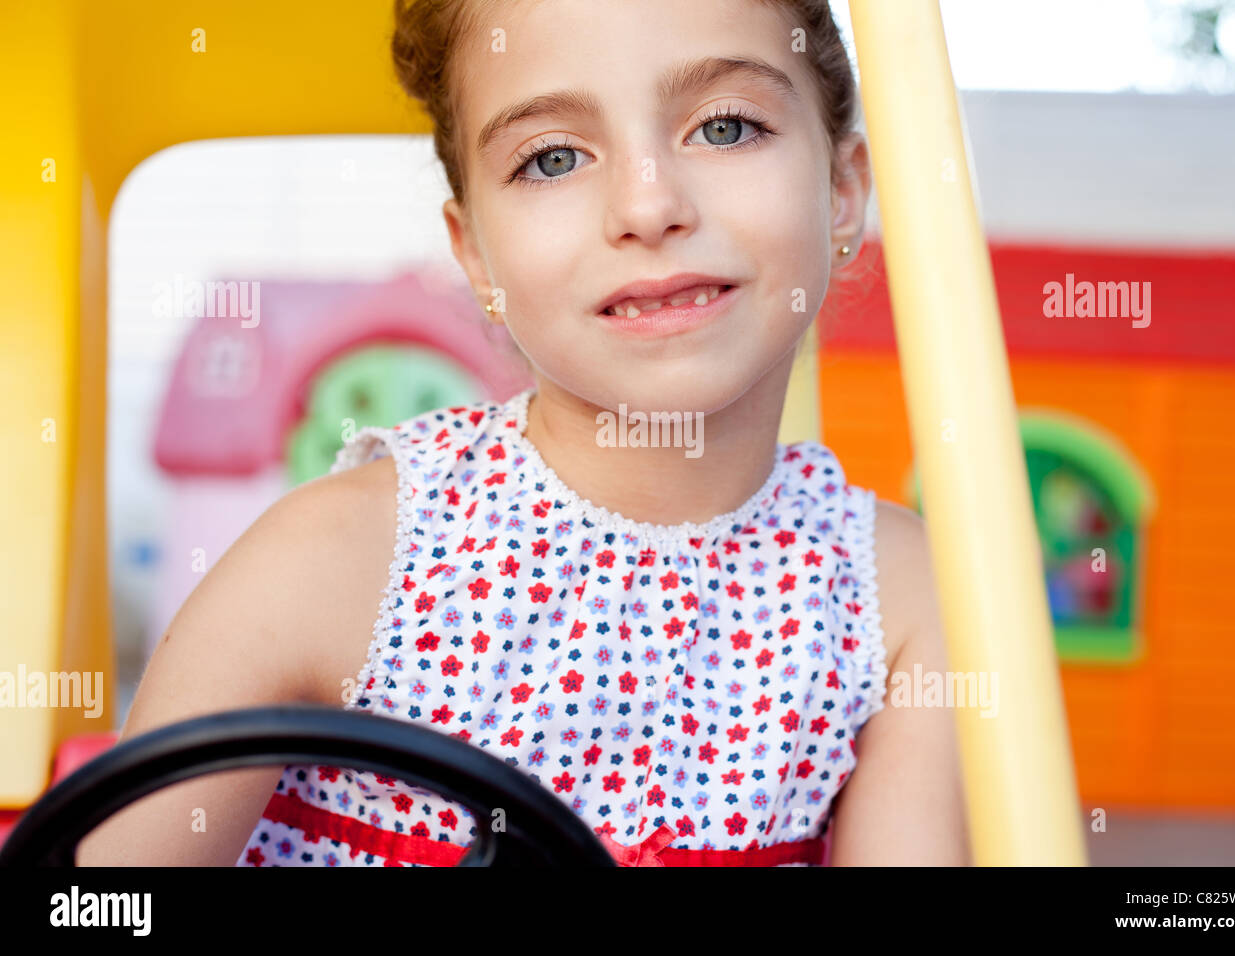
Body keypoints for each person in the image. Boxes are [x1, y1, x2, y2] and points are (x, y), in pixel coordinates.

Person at [77, 0, 970, 867]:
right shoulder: (340, 558)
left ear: (843, 190)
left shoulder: (893, 597)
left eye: (726, 127)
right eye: (551, 159)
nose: (648, 204)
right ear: (477, 259)